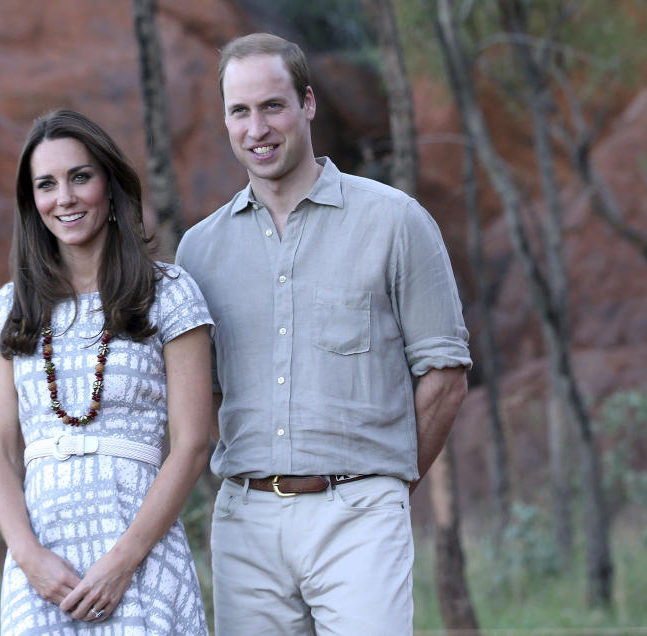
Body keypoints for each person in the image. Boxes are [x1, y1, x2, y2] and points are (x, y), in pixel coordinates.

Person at [175, 33, 472, 635]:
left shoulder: (395, 222)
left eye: (273, 106)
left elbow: (444, 376)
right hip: (246, 523)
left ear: (308, 103)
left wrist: (388, 483)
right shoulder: (199, 250)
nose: (257, 128)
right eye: (240, 111)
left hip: (360, 514)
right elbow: (201, 392)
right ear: (225, 119)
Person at [0, 109, 211, 635]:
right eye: (47, 185)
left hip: (141, 559)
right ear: (31, 203)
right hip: (43, 570)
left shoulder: (169, 292)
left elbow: (194, 441)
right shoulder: (11, 308)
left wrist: (121, 562)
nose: (66, 198)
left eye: (80, 177)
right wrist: (28, 556)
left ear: (108, 184)